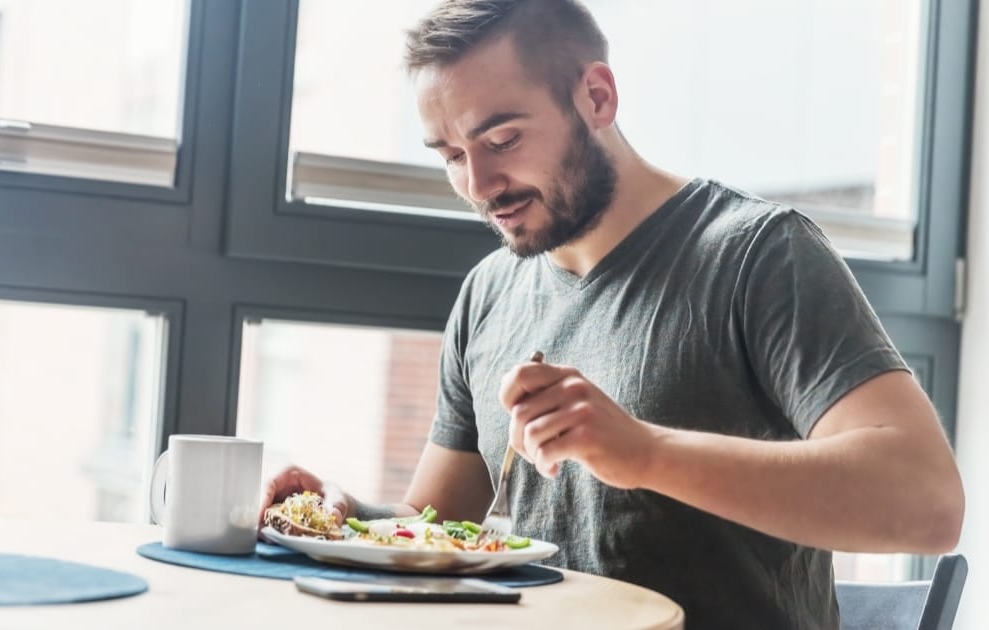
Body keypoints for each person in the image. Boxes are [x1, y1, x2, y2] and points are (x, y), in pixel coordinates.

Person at [259, 1, 965, 627]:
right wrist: (344, 517)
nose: (478, 185)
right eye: (451, 155)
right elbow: (440, 524)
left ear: (596, 97)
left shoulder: (759, 254)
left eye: (502, 140)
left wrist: (644, 453)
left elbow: (927, 502)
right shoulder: (489, 292)